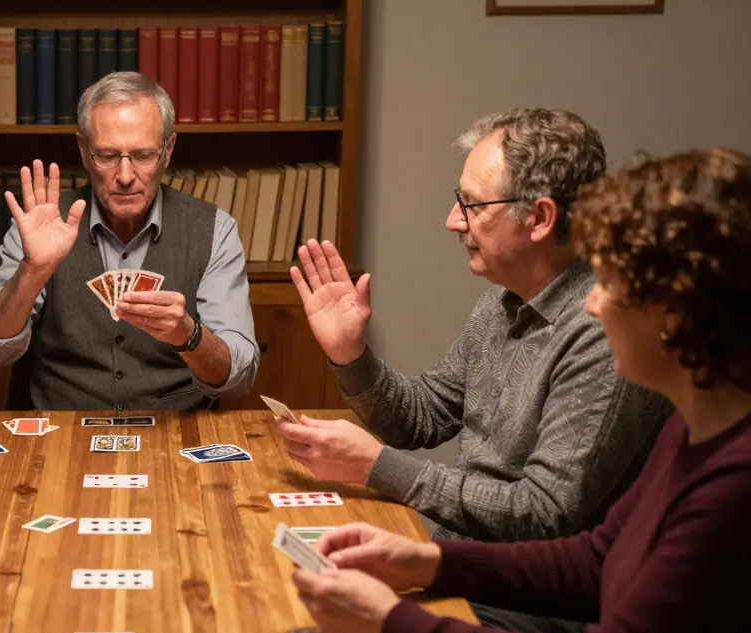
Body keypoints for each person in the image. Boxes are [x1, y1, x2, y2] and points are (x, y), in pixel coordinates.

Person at [290, 148, 751, 633]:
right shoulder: (698, 424)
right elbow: (595, 560)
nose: (593, 301)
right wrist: (428, 564)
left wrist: (390, 625)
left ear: (678, 314)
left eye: (615, 282)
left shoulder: (735, 480)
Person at [278, 108, 669, 545]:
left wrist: (376, 466)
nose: (453, 220)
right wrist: (349, 353)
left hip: (530, 598)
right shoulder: (501, 301)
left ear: (540, 218)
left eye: (473, 205)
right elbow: (418, 420)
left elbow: (542, 514)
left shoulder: (603, 331)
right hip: (461, 559)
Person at [0, 71, 259, 410]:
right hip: (61, 434)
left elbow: (240, 378)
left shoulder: (214, 229)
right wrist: (31, 272)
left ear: (168, 149)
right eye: (106, 155)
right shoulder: (41, 223)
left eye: (144, 155)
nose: (126, 176)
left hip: (175, 436)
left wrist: (189, 336)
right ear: (83, 151)